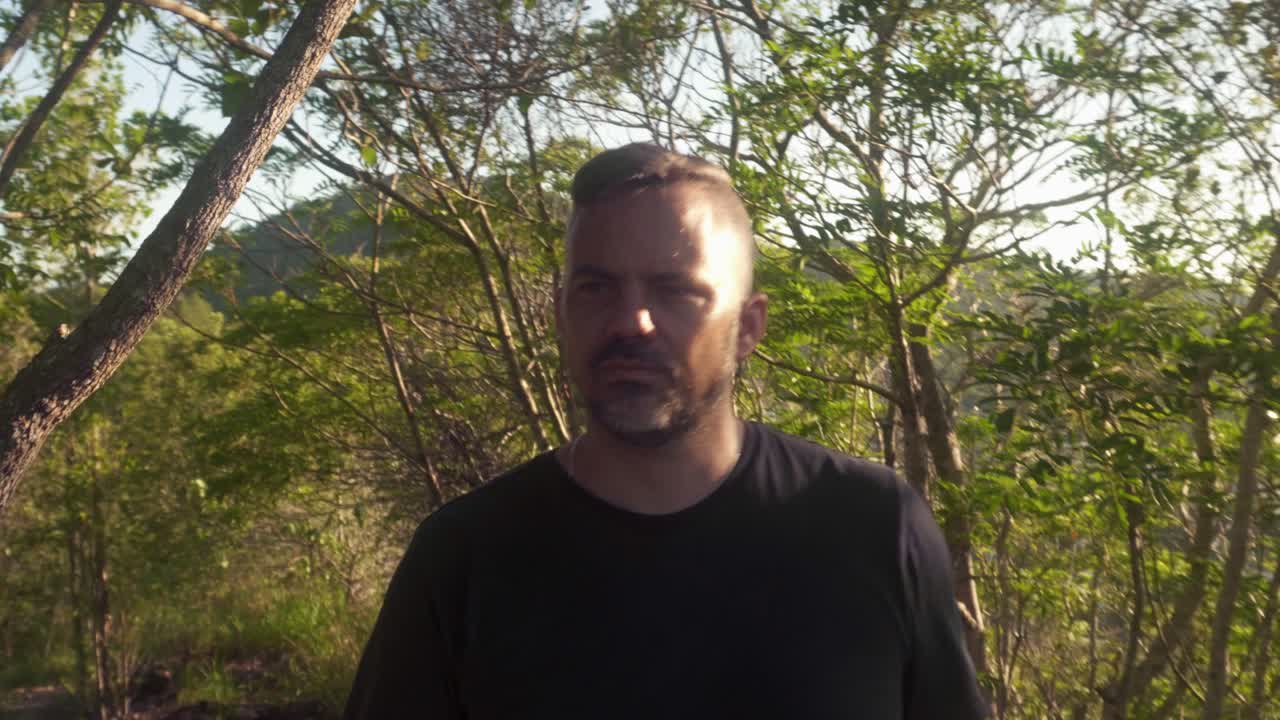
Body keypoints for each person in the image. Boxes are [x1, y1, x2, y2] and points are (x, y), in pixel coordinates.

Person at [342, 143, 989, 719]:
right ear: (562, 313)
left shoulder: (874, 527)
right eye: (596, 288)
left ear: (747, 328)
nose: (633, 322)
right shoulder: (462, 559)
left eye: (675, 290)